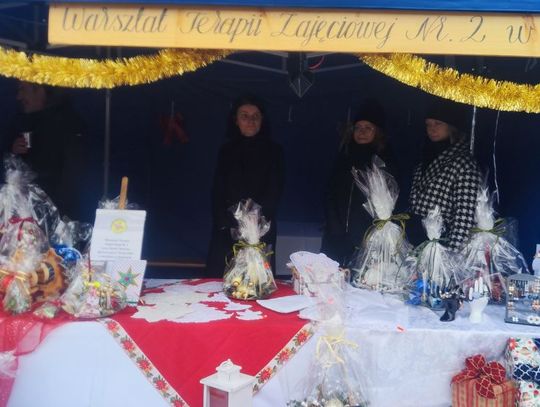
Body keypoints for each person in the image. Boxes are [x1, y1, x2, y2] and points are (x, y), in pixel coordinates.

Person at [205, 95, 284, 278]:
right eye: (245, 116)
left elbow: (275, 189)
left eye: (256, 116)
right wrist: (226, 222)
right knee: (221, 279)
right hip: (227, 228)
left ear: (262, 120)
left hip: (260, 229)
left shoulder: (275, 151)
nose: (251, 121)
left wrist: (254, 221)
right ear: (236, 120)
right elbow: (218, 189)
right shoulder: (226, 150)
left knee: (256, 281)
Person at [321, 99, 396, 266]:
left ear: (378, 132)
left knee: (363, 277)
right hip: (336, 234)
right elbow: (330, 192)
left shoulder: (385, 159)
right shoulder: (344, 155)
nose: (362, 132)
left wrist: (372, 231)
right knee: (330, 275)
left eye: (368, 128)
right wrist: (333, 223)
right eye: (358, 127)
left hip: (368, 236)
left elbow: (388, 200)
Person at [3, 81, 86, 219]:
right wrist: (13, 152)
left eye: (23, 89)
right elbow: (11, 168)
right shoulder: (20, 122)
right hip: (25, 211)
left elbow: (72, 177)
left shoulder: (68, 124)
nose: (18, 97)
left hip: (56, 214)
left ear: (40, 91)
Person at [408, 97, 481, 251]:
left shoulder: (463, 164)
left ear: (451, 126)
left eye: (438, 123)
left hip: (442, 246)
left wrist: (451, 256)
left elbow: (464, 218)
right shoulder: (425, 159)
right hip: (416, 243)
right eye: (428, 124)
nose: (432, 129)